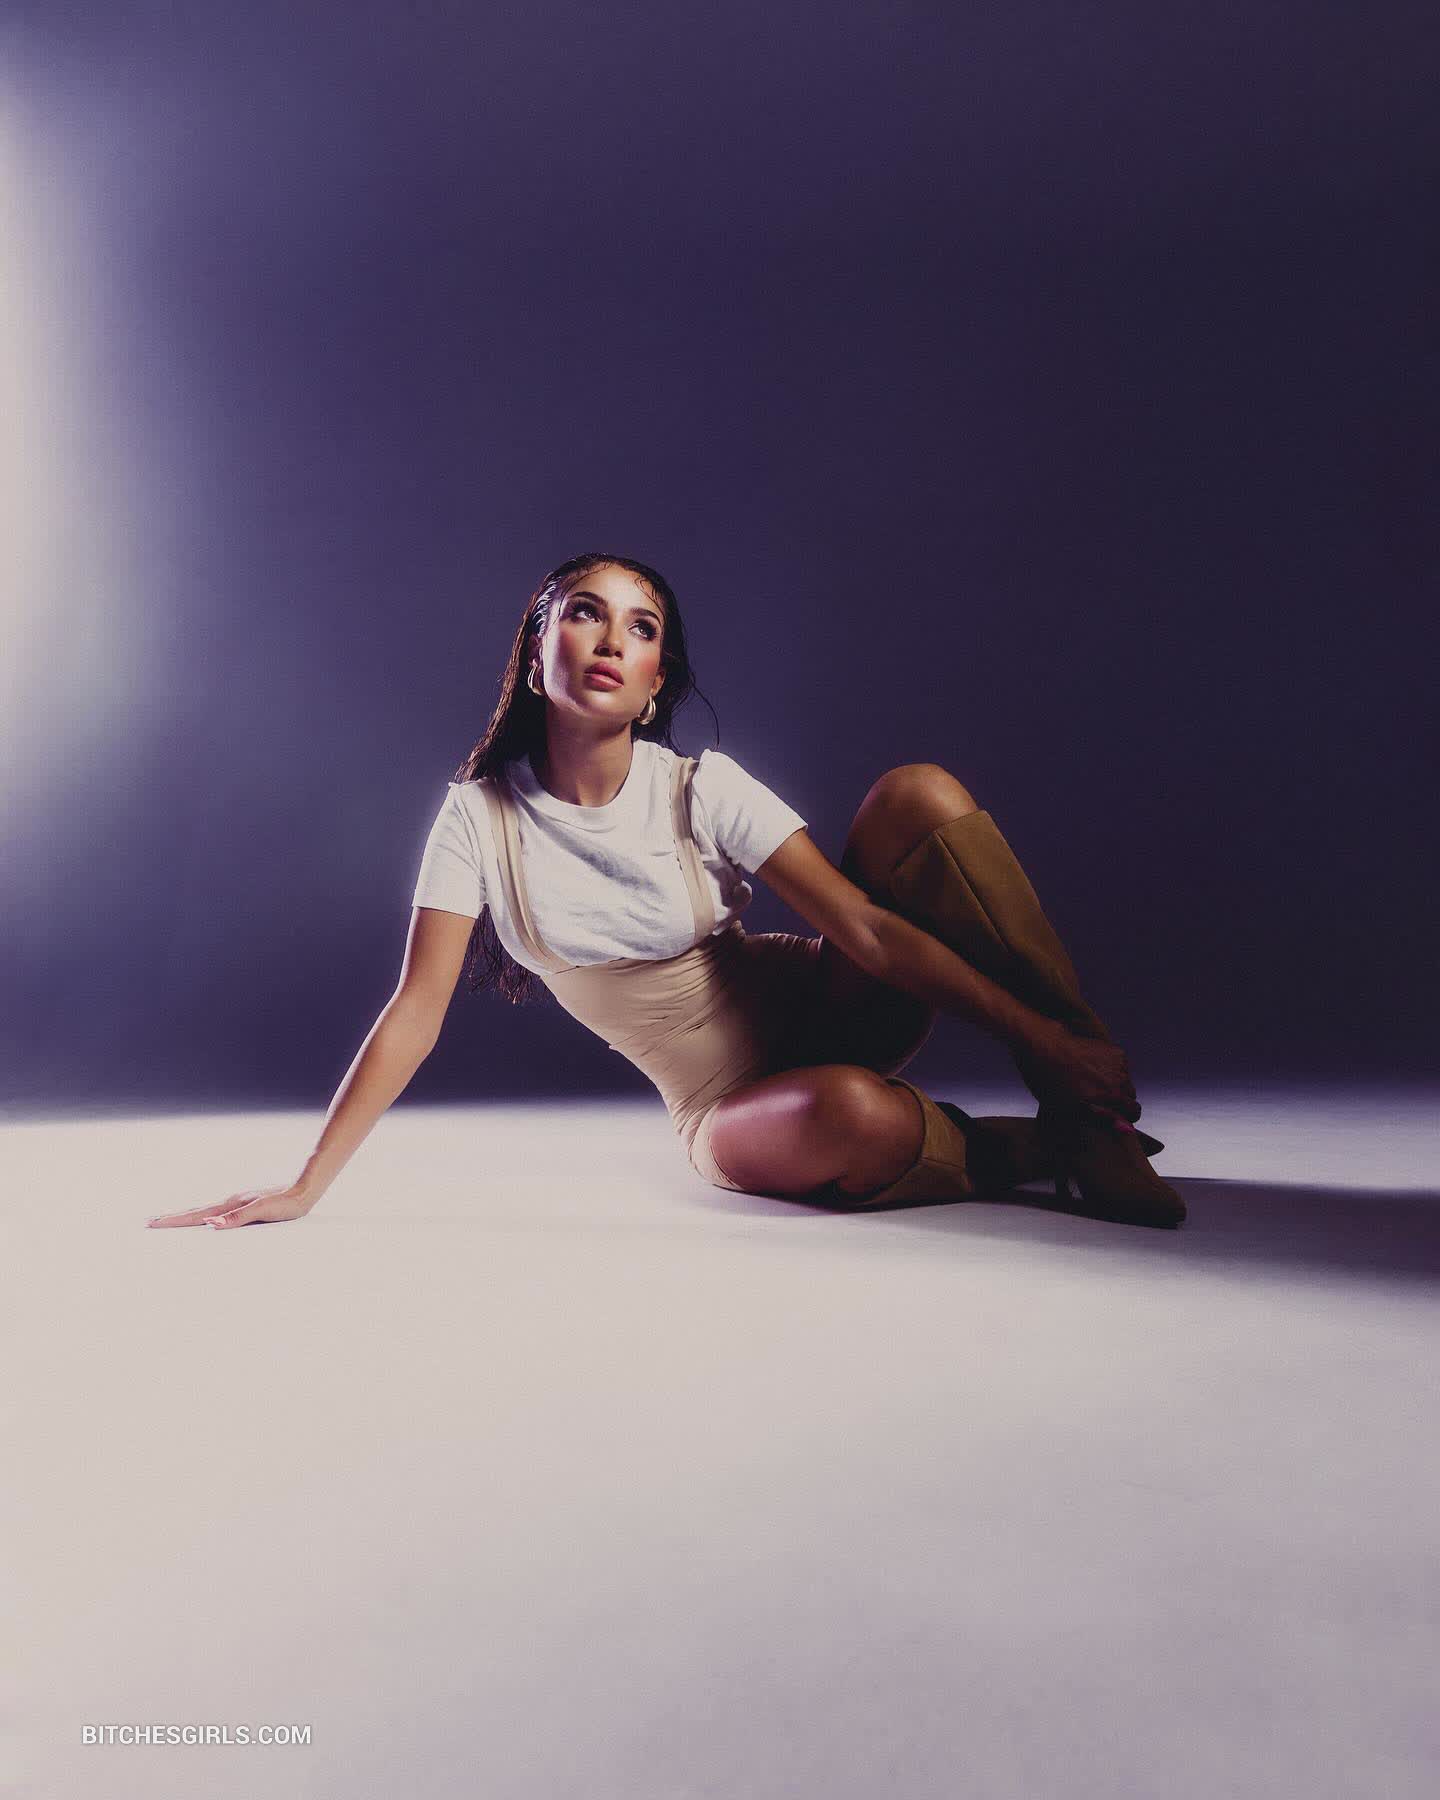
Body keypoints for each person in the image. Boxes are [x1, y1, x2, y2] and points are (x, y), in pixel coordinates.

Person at [147, 552, 1184, 1233]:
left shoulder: (698, 786)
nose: (611, 639)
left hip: (834, 1006)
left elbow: (866, 931)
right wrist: (306, 1184)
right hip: (730, 1106)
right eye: (585, 614)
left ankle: (1086, 1095)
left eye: (640, 628)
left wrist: (1041, 1041)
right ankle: (1028, 1149)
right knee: (848, 1112)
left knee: (917, 794)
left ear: (654, 685)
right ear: (537, 656)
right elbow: (414, 1012)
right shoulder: (478, 819)